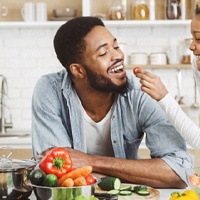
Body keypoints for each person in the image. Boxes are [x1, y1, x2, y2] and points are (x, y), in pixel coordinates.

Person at [31, 16, 193, 189]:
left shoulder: (141, 92)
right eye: (103, 53)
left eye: (116, 46)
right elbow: (55, 176)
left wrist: (91, 161)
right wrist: (136, 174)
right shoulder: (50, 90)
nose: (118, 55)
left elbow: (180, 172)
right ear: (78, 70)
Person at [134, 3, 200, 149]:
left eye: (199, 39)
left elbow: (198, 140)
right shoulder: (197, 62)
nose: (191, 46)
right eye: (192, 38)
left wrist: (164, 97)